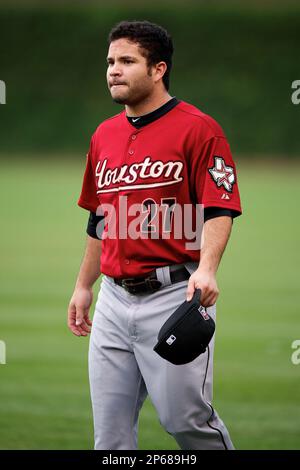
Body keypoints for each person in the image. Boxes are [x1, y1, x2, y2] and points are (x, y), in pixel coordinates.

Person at [67, 20, 242, 450]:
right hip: (112, 299)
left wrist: (207, 269)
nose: (114, 70)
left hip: (175, 296)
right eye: (110, 61)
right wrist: (83, 285)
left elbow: (221, 207)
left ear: (158, 69)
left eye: (127, 61)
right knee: (109, 439)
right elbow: (99, 218)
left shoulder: (199, 129)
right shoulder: (103, 135)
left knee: (187, 423)